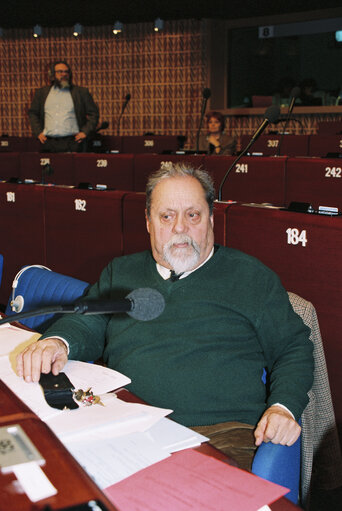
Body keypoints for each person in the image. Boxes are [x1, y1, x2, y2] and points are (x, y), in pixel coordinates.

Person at [16, 163, 313, 471]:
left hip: (217, 436)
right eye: (166, 216)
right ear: (148, 221)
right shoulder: (122, 271)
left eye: (193, 215)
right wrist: (57, 342)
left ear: (211, 217)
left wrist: (283, 407)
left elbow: (293, 348)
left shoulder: (251, 277)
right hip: (124, 423)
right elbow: (87, 320)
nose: (180, 228)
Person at [28, 60, 99, 153]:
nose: (64, 74)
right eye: (60, 72)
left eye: (66, 71)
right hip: (48, 142)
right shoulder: (41, 93)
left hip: (73, 142)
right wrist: (38, 132)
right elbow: (33, 113)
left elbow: (94, 114)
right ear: (52, 75)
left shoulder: (81, 92)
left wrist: (85, 132)